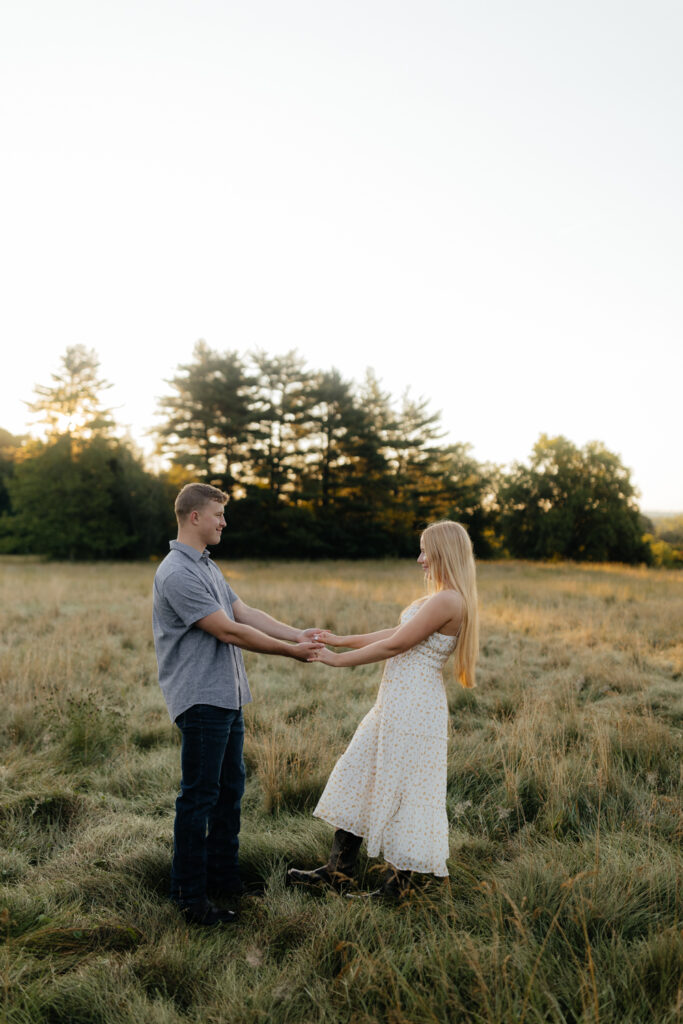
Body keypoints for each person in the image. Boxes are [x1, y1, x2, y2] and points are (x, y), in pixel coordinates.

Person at [153, 482, 322, 926]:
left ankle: (225, 880)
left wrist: (297, 634)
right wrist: (291, 654)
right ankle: (189, 898)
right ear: (194, 518)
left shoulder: (207, 566)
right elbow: (227, 631)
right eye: (217, 515)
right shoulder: (177, 573)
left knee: (230, 792)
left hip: (228, 696)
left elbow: (243, 613)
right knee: (199, 797)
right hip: (202, 699)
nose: (223, 523)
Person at [288, 520, 479, 899]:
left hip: (413, 709)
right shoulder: (439, 598)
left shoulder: (448, 600)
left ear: (444, 552)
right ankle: (337, 870)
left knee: (405, 787)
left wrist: (335, 661)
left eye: (426, 550)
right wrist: (341, 640)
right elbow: (393, 634)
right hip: (395, 704)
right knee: (365, 773)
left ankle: (396, 888)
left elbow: (396, 646)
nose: (420, 558)